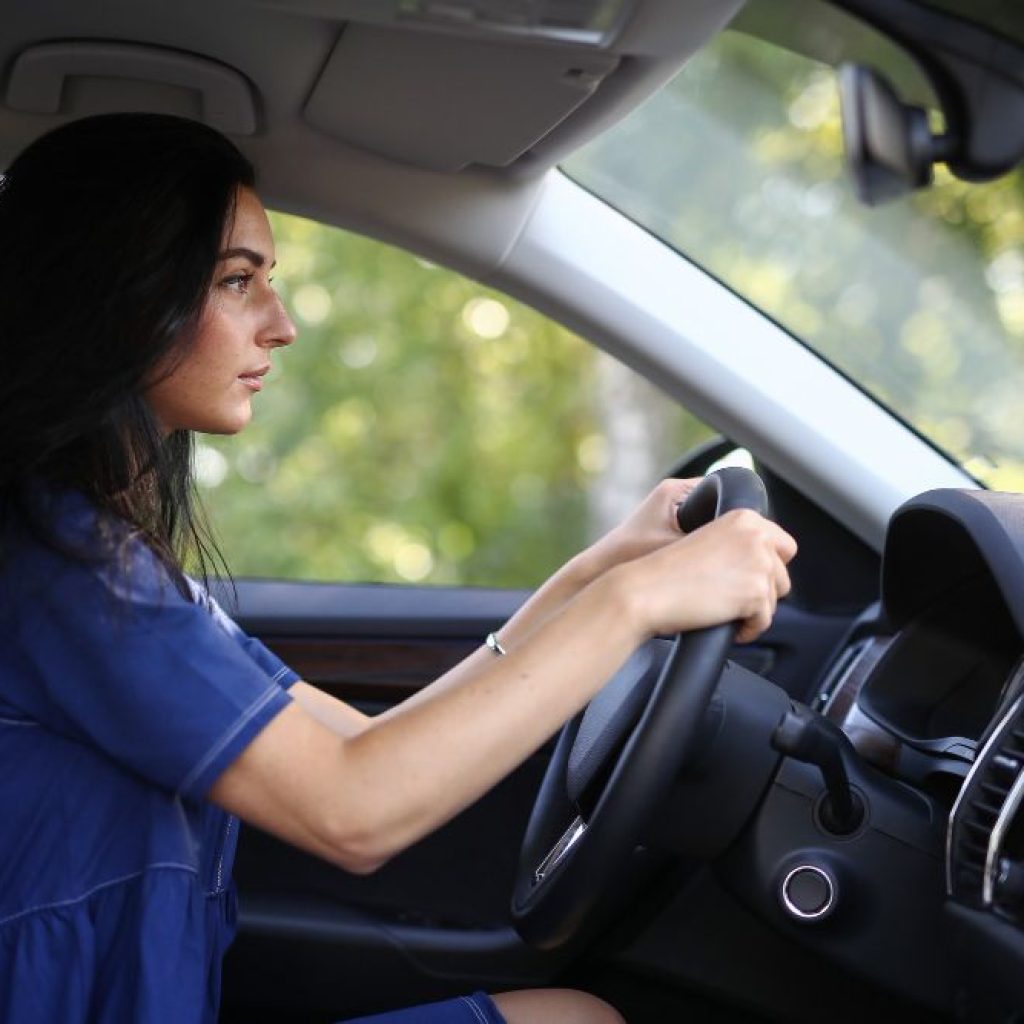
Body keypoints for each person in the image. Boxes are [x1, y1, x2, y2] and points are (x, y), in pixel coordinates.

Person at [0, 113, 797, 1024]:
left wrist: (593, 574)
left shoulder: (99, 554)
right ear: (116, 299)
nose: (282, 325)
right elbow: (355, 810)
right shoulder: (63, 573)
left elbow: (349, 745)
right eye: (236, 282)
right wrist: (635, 601)